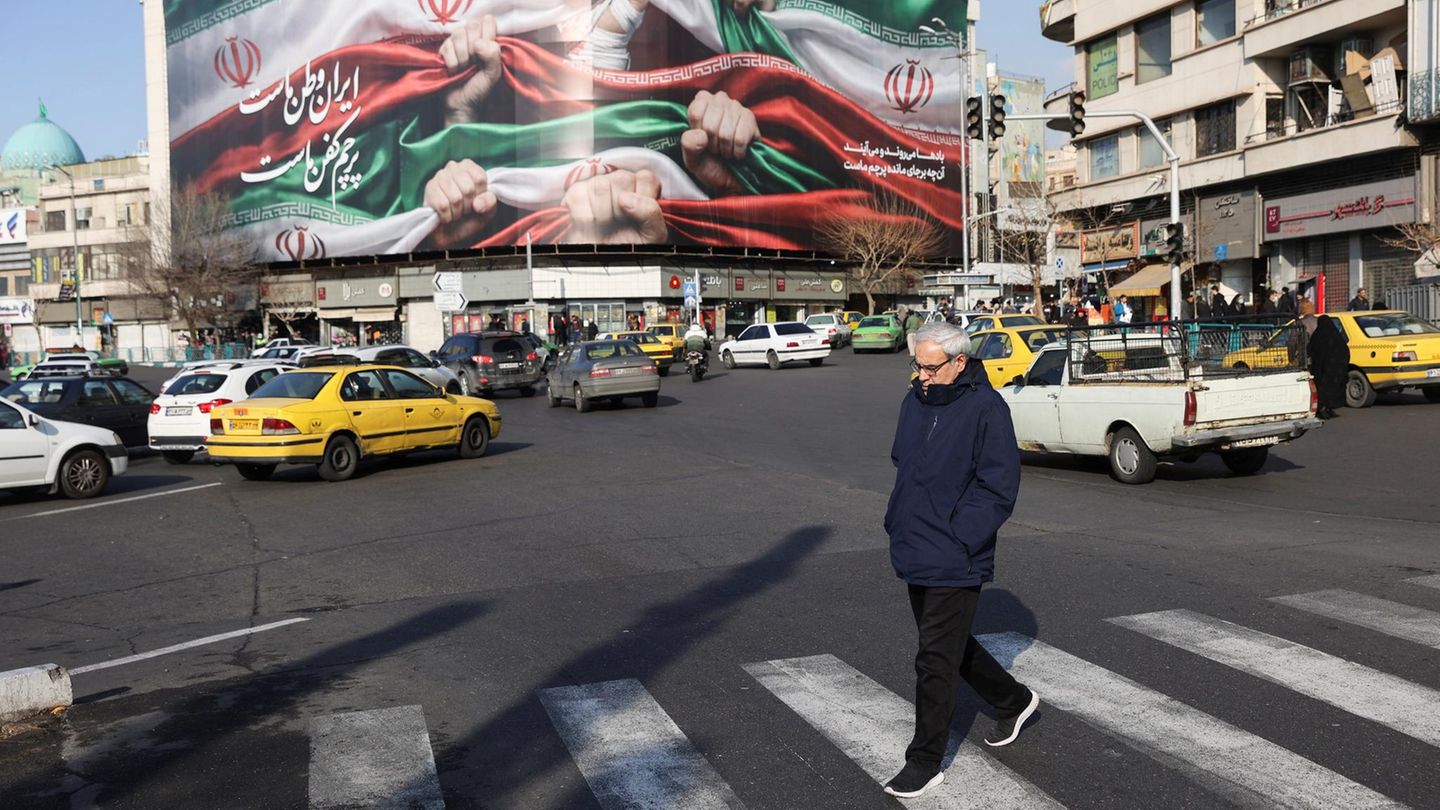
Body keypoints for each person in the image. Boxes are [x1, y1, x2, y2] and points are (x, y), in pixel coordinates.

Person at [883, 321, 1036, 800]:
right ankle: (1015, 700)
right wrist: (900, 520)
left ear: (959, 362)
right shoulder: (915, 401)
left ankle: (923, 762)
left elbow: (999, 487)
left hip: (954, 553)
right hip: (914, 544)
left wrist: (958, 535)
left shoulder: (986, 408)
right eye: (918, 365)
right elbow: (903, 459)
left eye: (931, 367)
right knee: (946, 644)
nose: (922, 376)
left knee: (933, 659)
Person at [1308, 314, 1349, 419]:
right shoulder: (1336, 335)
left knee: (1322, 388)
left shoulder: (1318, 335)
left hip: (1322, 369)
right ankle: (1329, 408)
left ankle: (1322, 409)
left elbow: (1310, 349)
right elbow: (1344, 350)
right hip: (1335, 369)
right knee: (1333, 388)